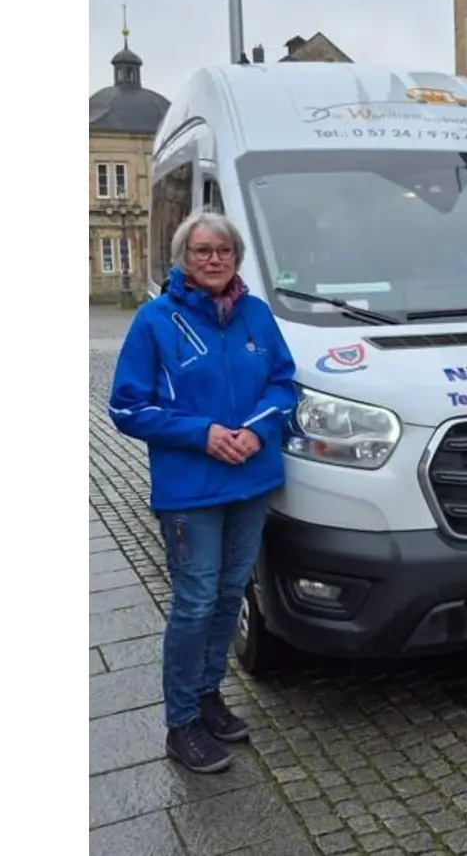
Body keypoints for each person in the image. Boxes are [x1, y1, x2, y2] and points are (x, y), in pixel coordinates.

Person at [108, 209, 298, 772]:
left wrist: (257, 431)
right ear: (183, 259)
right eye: (201, 251)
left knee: (229, 593)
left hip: (251, 479)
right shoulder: (154, 321)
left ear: (236, 258)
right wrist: (204, 435)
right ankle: (181, 722)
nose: (213, 259)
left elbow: (284, 384)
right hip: (191, 490)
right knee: (193, 602)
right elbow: (127, 406)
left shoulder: (257, 316)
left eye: (223, 251)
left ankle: (208, 696)